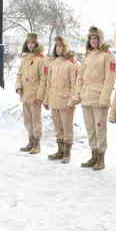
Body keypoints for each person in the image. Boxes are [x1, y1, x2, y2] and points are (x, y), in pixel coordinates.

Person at [74, 26, 115, 170]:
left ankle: (101, 158)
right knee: (90, 129)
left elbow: (110, 79)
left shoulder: (107, 55)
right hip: (86, 96)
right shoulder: (88, 55)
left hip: (99, 97)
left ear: (101, 39)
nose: (94, 41)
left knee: (100, 129)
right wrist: (77, 93)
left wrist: (105, 98)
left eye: (96, 38)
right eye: (91, 38)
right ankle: (93, 155)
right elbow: (80, 76)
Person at [44, 36, 79, 164]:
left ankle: (67, 153)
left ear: (65, 48)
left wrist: (72, 101)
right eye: (57, 46)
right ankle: (60, 150)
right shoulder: (52, 63)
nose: (58, 49)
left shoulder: (71, 64)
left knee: (67, 128)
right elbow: (49, 83)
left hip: (66, 101)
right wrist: (46, 99)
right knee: (58, 127)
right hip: (54, 99)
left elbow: (75, 85)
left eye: (61, 46)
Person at [15, 33, 48, 154]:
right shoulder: (25, 59)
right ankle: (30, 141)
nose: (30, 45)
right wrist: (18, 86)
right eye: (28, 43)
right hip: (25, 95)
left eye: (33, 43)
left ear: (37, 44)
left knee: (36, 121)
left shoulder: (41, 59)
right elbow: (19, 74)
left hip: (35, 96)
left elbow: (44, 79)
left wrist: (40, 96)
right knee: (27, 121)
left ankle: (37, 144)